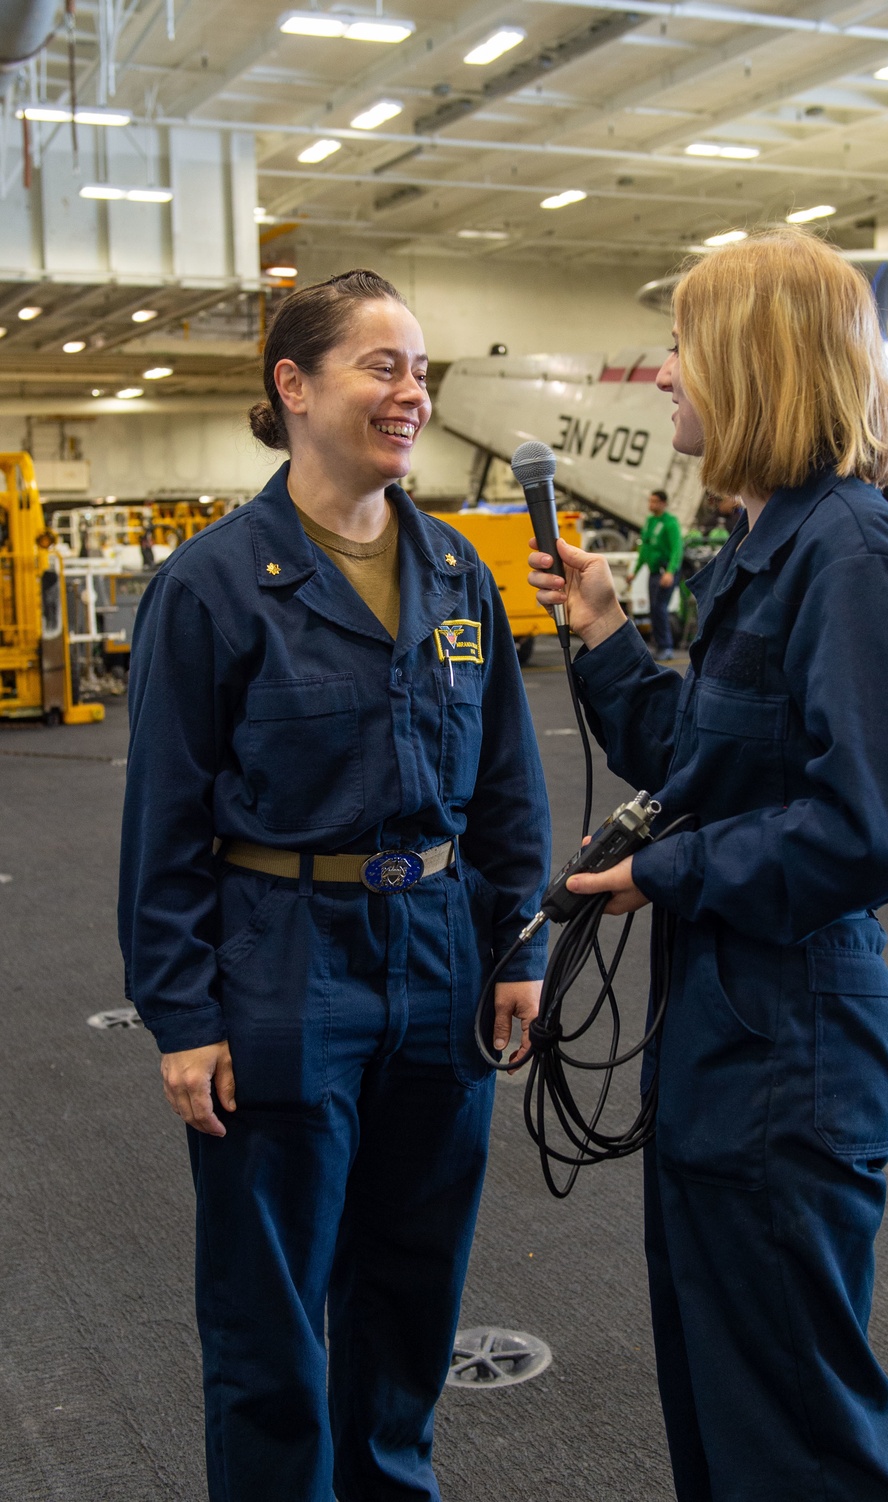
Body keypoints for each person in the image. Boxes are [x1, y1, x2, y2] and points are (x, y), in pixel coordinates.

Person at [528, 228, 888, 1501]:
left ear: (753, 363)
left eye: (684, 346)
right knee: (728, 1414)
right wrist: (604, 628)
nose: (663, 375)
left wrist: (666, 874)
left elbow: (881, 825)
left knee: (796, 1441)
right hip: (727, 1037)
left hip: (790, 1045)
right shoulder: (774, 547)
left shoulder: (853, 555)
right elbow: (696, 766)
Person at [118, 270, 550, 1502]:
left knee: (412, 1293)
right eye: (381, 365)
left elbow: (509, 786)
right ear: (292, 385)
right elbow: (162, 823)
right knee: (270, 1313)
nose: (410, 392)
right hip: (282, 960)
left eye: (420, 370)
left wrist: (515, 948)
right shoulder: (210, 585)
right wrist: (184, 1013)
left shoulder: (461, 574)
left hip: (439, 963)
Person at [628, 488, 684, 660]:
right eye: (650, 501)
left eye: (654, 501)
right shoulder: (650, 522)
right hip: (653, 573)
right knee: (653, 609)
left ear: (663, 503)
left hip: (664, 571)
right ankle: (660, 645)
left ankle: (666, 646)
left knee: (660, 608)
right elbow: (645, 550)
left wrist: (670, 572)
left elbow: (677, 550)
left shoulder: (670, 523)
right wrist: (635, 572)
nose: (650, 504)